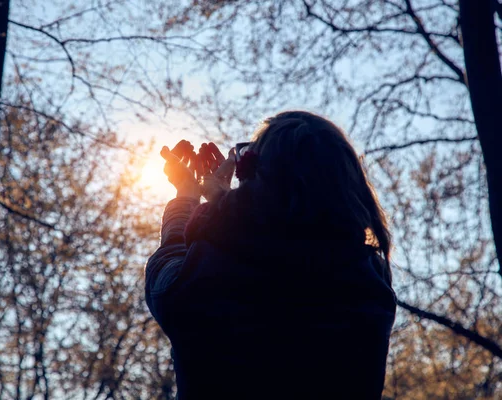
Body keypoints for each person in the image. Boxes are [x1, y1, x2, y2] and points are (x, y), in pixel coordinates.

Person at [145, 111, 397, 399]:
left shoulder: (211, 279)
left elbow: (166, 274)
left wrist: (187, 198)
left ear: (257, 178)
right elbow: (284, 237)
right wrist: (222, 202)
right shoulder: (370, 286)